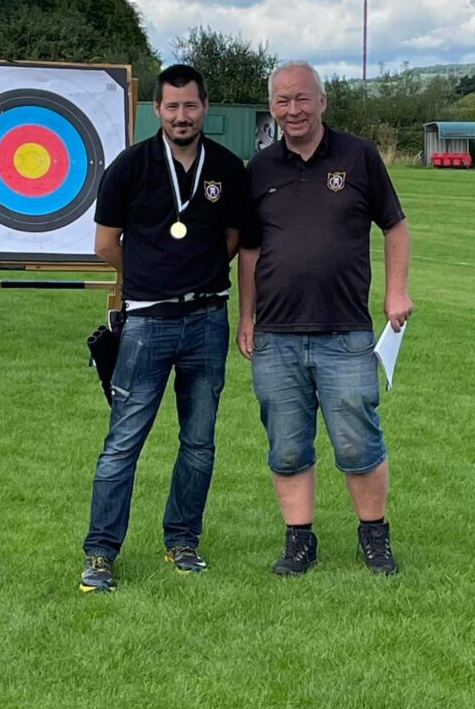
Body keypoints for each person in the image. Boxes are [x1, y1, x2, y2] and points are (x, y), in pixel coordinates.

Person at [238, 61, 413, 576]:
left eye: (302, 99)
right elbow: (249, 252)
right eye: (282, 101)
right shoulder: (261, 169)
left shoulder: (358, 157)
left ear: (322, 101)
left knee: (358, 439)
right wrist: (246, 316)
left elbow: (396, 227)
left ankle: (374, 536)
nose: (293, 110)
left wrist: (396, 291)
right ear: (271, 108)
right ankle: (299, 542)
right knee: (287, 444)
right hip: (276, 334)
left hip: (346, 332)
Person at [80, 64, 248, 593]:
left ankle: (182, 541)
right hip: (148, 323)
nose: (182, 115)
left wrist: (193, 276)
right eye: (172, 107)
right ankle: (100, 554)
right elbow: (106, 244)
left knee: (198, 441)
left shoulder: (226, 167)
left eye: (191, 106)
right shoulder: (131, 166)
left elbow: (232, 238)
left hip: (206, 319)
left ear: (204, 107)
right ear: (157, 110)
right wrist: (147, 279)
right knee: (123, 441)